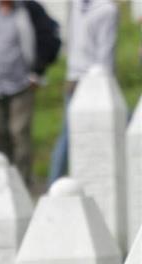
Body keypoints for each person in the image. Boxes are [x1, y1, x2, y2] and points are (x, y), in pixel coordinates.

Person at [0, 0, 59, 183]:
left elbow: (50, 39)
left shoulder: (30, 10)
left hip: (22, 84)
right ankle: (4, 177)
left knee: (19, 132)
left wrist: (37, 72)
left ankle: (22, 181)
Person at [47, 0, 118, 185]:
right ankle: (53, 185)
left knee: (72, 134)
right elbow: (105, 52)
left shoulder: (80, 6)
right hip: (93, 79)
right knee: (74, 134)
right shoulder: (105, 9)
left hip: (77, 76)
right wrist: (105, 82)